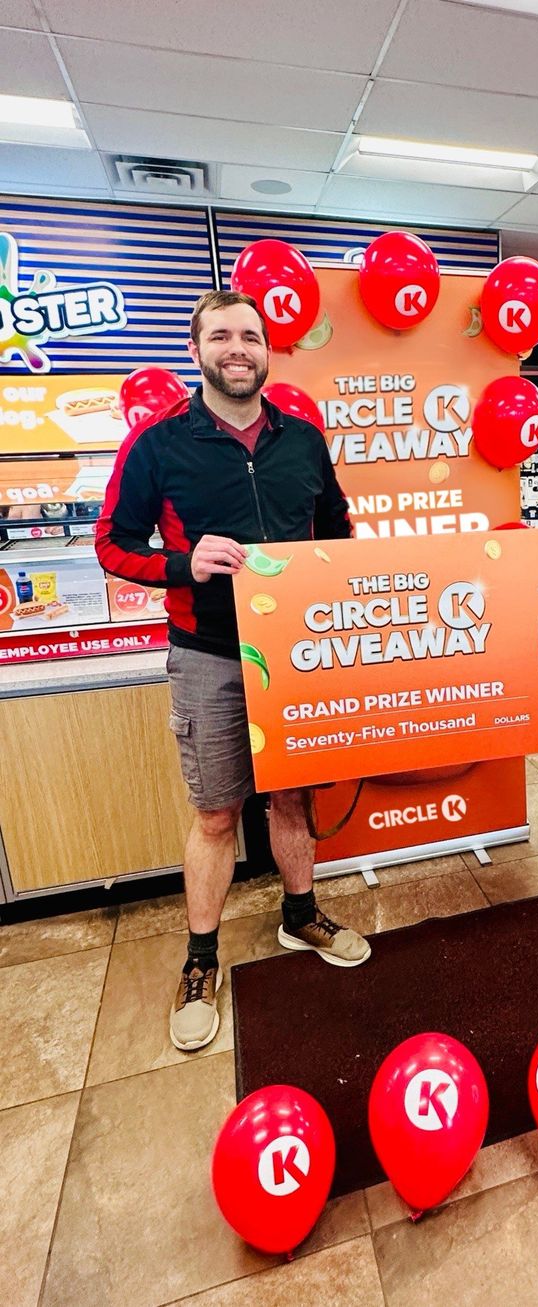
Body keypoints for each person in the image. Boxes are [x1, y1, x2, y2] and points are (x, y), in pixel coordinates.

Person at [96, 289, 370, 1053]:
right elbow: (113, 543)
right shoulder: (157, 444)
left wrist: (343, 585)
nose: (238, 348)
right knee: (216, 814)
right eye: (220, 335)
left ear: (267, 349)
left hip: (295, 654)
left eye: (250, 335)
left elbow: (337, 530)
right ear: (197, 350)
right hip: (208, 654)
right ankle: (200, 959)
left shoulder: (303, 440)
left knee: (292, 797)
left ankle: (300, 915)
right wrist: (183, 563)